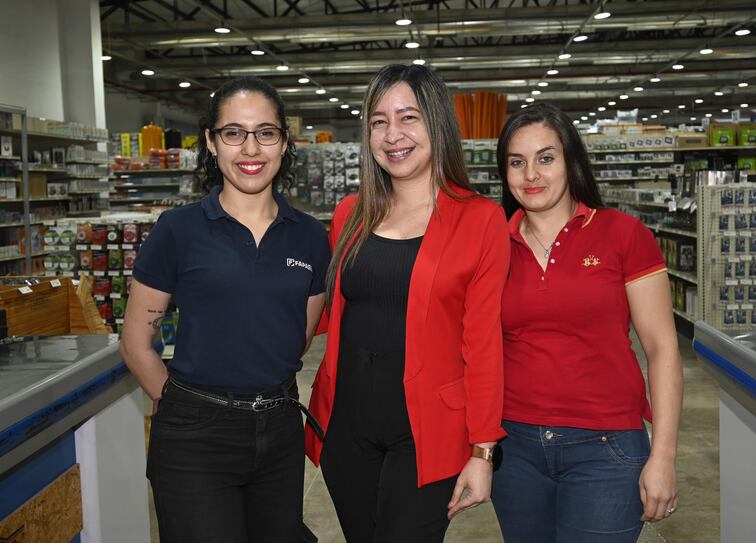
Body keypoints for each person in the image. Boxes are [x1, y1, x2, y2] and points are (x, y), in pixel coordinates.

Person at [304, 63, 509, 542]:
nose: (392, 134)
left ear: (437, 122)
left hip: (427, 434)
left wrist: (483, 451)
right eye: (379, 121)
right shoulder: (350, 213)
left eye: (408, 118)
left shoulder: (480, 219)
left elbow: (483, 345)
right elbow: (326, 313)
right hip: (346, 429)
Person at [119, 76, 330, 543]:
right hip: (195, 437)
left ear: (284, 142)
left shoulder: (310, 236)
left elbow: (298, 336)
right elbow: (135, 344)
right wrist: (184, 406)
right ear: (212, 143)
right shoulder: (177, 230)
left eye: (265, 133)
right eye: (233, 132)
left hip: (279, 427)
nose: (250, 148)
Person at [490, 102, 683, 543]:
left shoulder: (623, 234)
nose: (531, 175)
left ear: (571, 161)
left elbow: (662, 349)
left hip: (606, 449)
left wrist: (664, 456)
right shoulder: (492, 243)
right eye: (517, 162)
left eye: (546, 158)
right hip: (514, 449)